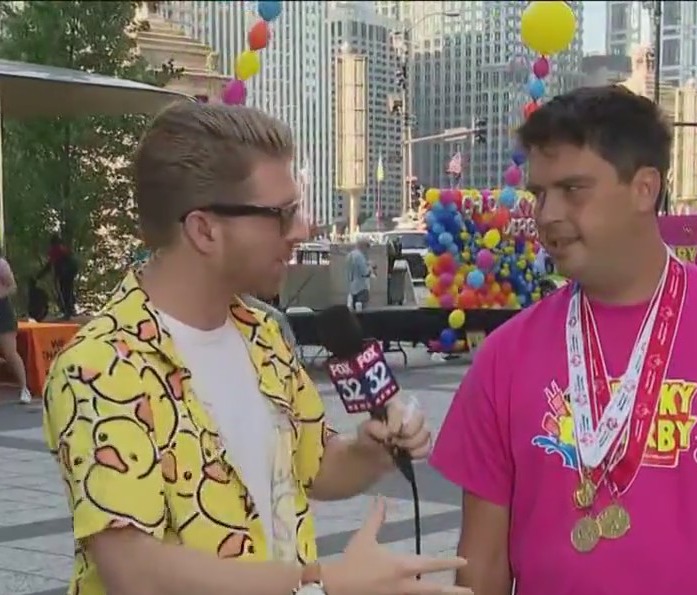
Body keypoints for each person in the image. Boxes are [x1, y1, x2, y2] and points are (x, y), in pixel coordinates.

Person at [430, 86, 697, 595]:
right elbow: (481, 564)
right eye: (539, 194)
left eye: (573, 189)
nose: (547, 215)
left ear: (644, 188)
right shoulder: (504, 357)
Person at [41, 102, 467, 595]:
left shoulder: (264, 334)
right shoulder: (101, 365)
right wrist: (323, 585)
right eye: (280, 214)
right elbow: (134, 571)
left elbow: (313, 467)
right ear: (204, 230)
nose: (301, 229)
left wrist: (369, 453)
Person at [0, 252, 31, 404]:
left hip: (3, 311)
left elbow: (12, 286)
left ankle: (24, 388)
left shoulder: (1, 264)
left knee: (10, 353)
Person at [35, 233, 78, 320]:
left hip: (65, 273)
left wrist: (39, 276)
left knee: (65, 291)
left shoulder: (55, 250)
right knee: (69, 290)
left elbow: (49, 265)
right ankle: (71, 310)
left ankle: (68, 312)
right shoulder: (63, 248)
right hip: (71, 271)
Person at [347, 237, 372, 310]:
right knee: (362, 309)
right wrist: (370, 268)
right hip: (362, 287)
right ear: (363, 245)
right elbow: (365, 272)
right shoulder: (360, 256)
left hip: (352, 287)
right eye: (367, 246)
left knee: (353, 309)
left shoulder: (350, 255)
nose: (368, 249)